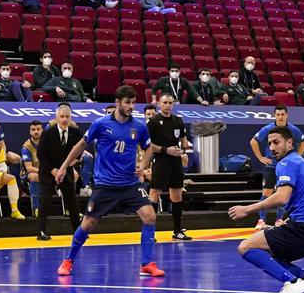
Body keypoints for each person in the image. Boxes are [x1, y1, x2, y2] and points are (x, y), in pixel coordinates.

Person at [58, 86, 165, 278]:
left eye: (133, 103)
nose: (131, 106)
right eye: (127, 103)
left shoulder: (139, 126)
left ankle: (146, 263)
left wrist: (143, 163)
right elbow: (81, 145)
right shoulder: (101, 124)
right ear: (118, 103)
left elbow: (148, 148)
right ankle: (68, 260)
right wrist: (65, 166)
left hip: (130, 184)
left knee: (150, 215)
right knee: (88, 223)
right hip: (106, 185)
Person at [228, 127, 304, 293]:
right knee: (267, 251)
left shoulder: (287, 163)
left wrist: (247, 209)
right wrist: (281, 225)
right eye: (269, 144)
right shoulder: (299, 162)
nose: (272, 148)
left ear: (290, 143)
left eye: (276, 142)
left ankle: (291, 282)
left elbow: (282, 198)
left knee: (245, 247)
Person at [249, 105, 304, 230]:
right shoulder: (268, 128)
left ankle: (279, 219)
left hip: (287, 166)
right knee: (266, 192)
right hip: (271, 166)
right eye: (278, 114)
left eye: (282, 114)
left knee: (284, 193)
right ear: (274, 115)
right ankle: (261, 220)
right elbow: (253, 141)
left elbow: (303, 141)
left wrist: (298, 155)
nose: (280, 117)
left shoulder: (292, 129)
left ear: (287, 115)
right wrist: (260, 158)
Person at [146, 94, 192, 241]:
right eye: (165, 102)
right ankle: (149, 233)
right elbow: (148, 146)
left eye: (170, 103)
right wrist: (166, 150)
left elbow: (184, 141)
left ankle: (177, 231)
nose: (167, 105)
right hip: (161, 160)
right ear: (159, 104)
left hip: (175, 162)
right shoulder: (152, 122)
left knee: (177, 195)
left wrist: (182, 150)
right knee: (154, 194)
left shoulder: (178, 120)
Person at [35, 104, 84, 240]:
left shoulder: (75, 132)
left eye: (67, 117)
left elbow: (80, 153)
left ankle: (78, 231)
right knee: (45, 201)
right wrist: (53, 170)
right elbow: (40, 154)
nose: (64, 119)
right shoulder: (48, 133)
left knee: (72, 202)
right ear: (56, 117)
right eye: (62, 116)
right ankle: (41, 231)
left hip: (65, 170)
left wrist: (67, 166)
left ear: (71, 117)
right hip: (48, 171)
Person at [21, 120, 43, 216]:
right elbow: (29, 168)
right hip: (29, 174)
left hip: (46, 172)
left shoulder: (47, 143)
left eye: (38, 129)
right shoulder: (26, 147)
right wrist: (45, 171)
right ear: (30, 132)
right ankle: (36, 208)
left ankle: (69, 208)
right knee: (34, 176)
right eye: (33, 130)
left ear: (42, 130)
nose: (36, 131)